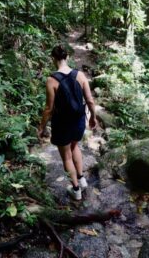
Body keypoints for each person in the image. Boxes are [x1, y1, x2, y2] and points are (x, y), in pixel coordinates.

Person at [38, 45, 97, 201]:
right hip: (78, 120)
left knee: (66, 157)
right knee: (75, 146)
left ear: (53, 59)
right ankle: (82, 179)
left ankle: (76, 189)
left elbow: (49, 108)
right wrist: (93, 117)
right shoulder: (80, 75)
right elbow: (90, 100)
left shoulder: (51, 80)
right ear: (67, 57)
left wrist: (41, 127)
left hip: (62, 123)